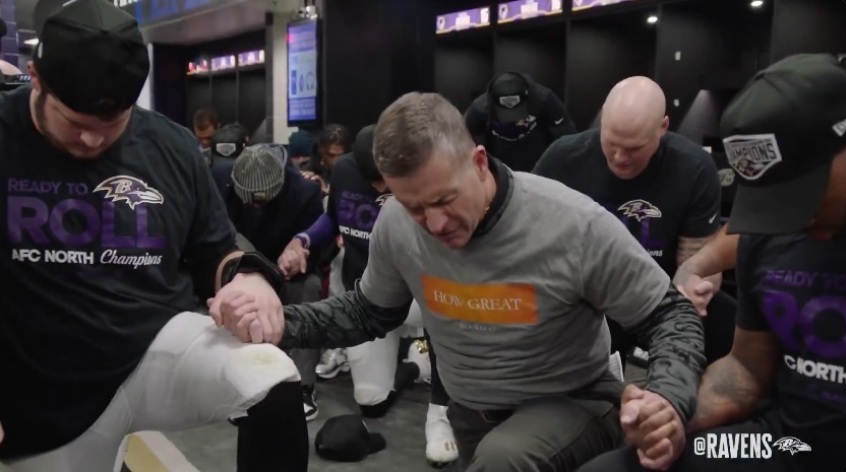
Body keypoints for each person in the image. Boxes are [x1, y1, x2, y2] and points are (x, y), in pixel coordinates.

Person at [231, 91, 707, 472]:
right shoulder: (397, 223)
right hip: (471, 414)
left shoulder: (572, 224)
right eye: (415, 206)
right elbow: (366, 312)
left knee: (504, 459)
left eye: (444, 200)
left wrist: (666, 396)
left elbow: (672, 315)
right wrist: (277, 323)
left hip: (572, 402)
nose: (434, 224)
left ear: (479, 163)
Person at [0, 1, 308, 470]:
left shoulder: (171, 145)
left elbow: (215, 249)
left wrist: (247, 277)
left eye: (110, 127)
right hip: (40, 379)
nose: (90, 142)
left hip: (151, 344)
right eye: (75, 123)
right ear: (37, 78)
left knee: (270, 383)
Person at [577, 52, 846, 472]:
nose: (798, 220)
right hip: (783, 444)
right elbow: (743, 374)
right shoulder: (771, 237)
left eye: (802, 196)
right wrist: (669, 414)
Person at [533, 76, 733, 365]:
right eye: (612, 143)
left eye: (634, 148)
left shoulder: (694, 168)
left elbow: (698, 261)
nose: (620, 157)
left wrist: (694, 285)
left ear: (662, 127)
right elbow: (533, 241)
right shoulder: (562, 159)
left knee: (722, 319)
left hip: (658, 296)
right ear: (602, 118)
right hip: (584, 296)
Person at [278, 125, 434, 422]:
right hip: (369, 297)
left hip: (419, 294)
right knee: (370, 402)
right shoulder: (345, 170)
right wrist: (302, 241)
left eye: (385, 180)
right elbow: (333, 219)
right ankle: (416, 364)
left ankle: (430, 358)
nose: (379, 189)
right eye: (371, 181)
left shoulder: (421, 176)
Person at [211, 143, 325, 420]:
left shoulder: (305, 192)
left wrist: (299, 253)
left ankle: (303, 385)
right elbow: (214, 233)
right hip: (240, 266)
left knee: (309, 287)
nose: (256, 206)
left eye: (263, 200)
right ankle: (239, 381)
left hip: (286, 270)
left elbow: (319, 248)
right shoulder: (217, 180)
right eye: (250, 200)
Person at [464, 71, 577, 172]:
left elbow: (565, 133)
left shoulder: (544, 99)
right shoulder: (479, 109)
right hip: (499, 157)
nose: (515, 120)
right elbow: (468, 142)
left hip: (537, 154)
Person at [301, 123, 351, 195]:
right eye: (331, 155)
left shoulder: (355, 174)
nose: (336, 161)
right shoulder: (308, 173)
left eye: (340, 155)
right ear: (320, 150)